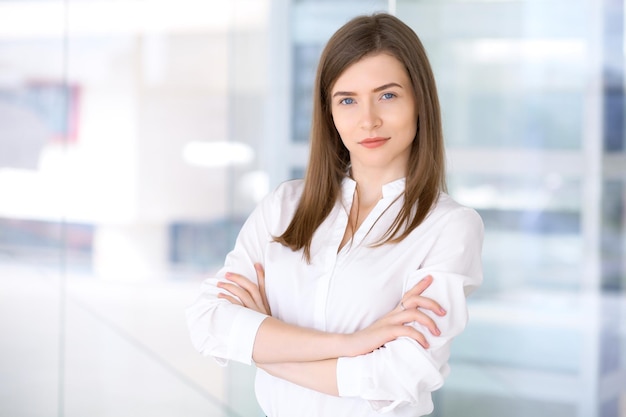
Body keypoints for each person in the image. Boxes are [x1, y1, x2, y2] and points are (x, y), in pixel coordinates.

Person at [186, 12, 483, 417]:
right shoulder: (283, 208)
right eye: (347, 100)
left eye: (388, 95)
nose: (368, 119)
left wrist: (263, 346)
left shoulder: (449, 227)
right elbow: (209, 321)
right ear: (328, 113)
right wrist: (353, 344)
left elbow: (397, 375)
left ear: (420, 102)